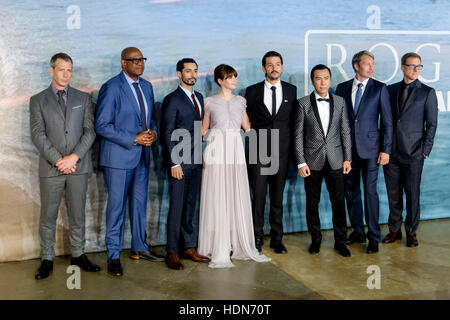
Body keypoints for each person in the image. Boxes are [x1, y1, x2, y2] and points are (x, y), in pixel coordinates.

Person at [30, 52, 99, 279]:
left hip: (78, 167)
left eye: (69, 70)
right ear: (51, 71)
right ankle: (47, 258)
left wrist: (74, 157)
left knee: (78, 214)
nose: (66, 74)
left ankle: (78, 254)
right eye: (62, 69)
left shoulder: (83, 98)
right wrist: (60, 160)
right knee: (48, 216)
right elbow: (38, 134)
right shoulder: (38, 100)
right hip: (51, 168)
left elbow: (90, 131)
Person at [95, 47, 163, 277]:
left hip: (142, 157)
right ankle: (113, 255)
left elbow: (151, 118)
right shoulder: (112, 87)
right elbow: (102, 125)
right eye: (134, 60)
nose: (139, 64)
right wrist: (133, 138)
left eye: (142, 59)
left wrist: (153, 133)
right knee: (116, 208)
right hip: (118, 158)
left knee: (139, 205)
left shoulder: (147, 86)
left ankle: (139, 247)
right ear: (123, 63)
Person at [198, 64, 271, 268]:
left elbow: (247, 127)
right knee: (218, 193)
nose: (234, 80)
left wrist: (265, 145)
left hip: (236, 149)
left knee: (234, 191)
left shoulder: (241, 101)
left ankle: (235, 241)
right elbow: (203, 129)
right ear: (220, 80)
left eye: (235, 77)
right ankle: (218, 244)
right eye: (230, 77)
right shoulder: (209, 102)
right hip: (216, 149)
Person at [335, 50, 393, 254]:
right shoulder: (341, 88)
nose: (372, 67)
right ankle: (358, 231)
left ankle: (374, 236)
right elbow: (338, 121)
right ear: (356, 65)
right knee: (351, 192)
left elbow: (387, 122)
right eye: (367, 63)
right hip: (348, 151)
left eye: (373, 64)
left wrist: (386, 150)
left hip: (371, 150)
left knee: (370, 192)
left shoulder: (380, 88)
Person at [295, 64, 352, 257]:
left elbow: (345, 131)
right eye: (318, 78)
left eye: (325, 78)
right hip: (312, 162)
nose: (322, 82)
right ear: (312, 81)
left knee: (338, 203)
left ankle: (340, 242)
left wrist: (348, 159)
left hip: (336, 160)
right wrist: (301, 162)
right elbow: (298, 135)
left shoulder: (340, 101)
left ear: (330, 79)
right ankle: (316, 240)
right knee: (313, 203)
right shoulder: (303, 103)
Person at [383, 52, 438, 247]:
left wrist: (424, 150)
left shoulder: (427, 92)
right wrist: (384, 149)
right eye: (412, 66)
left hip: (414, 153)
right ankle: (394, 230)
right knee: (393, 194)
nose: (415, 70)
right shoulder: (390, 90)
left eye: (418, 66)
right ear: (403, 67)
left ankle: (412, 232)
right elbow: (386, 121)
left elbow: (431, 124)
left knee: (412, 194)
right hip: (391, 153)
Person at [245, 51, 298, 254]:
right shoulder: (251, 92)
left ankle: (277, 239)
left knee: (277, 198)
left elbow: (294, 123)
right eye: (270, 64)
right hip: (259, 151)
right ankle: (256, 237)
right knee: (258, 197)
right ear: (263, 68)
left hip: (282, 153)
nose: (274, 68)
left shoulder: (292, 91)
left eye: (277, 64)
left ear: (282, 67)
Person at [160, 58, 210, 270]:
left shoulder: (199, 97)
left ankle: (188, 246)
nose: (192, 75)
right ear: (179, 74)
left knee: (190, 206)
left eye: (195, 71)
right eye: (188, 71)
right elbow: (168, 132)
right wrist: (174, 163)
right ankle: (172, 251)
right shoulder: (172, 99)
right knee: (177, 207)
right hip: (179, 164)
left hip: (196, 162)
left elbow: (198, 130)